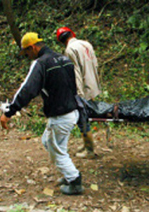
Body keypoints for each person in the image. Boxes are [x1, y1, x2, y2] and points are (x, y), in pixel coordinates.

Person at [0, 32, 84, 195]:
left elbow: (27, 90)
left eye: (27, 53)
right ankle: (68, 175)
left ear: (32, 47)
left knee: (54, 147)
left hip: (60, 115)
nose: (28, 57)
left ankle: (74, 180)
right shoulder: (64, 59)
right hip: (72, 111)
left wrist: (9, 111)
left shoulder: (41, 63)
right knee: (50, 142)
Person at [56, 27, 101, 159]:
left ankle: (89, 149)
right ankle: (87, 143)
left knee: (82, 118)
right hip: (93, 86)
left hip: (83, 88)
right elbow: (96, 65)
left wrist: (78, 94)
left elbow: (75, 73)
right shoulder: (86, 44)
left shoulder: (69, 50)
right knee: (87, 117)